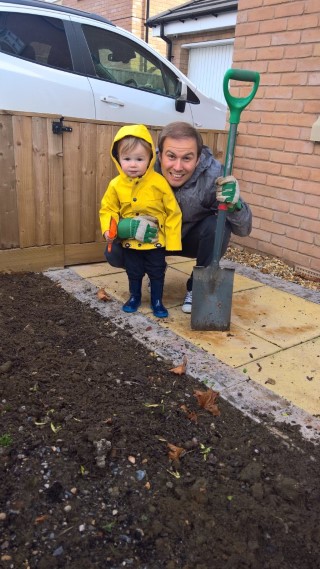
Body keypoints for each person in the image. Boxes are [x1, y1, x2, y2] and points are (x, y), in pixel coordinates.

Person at [104, 121, 252, 313]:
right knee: (114, 252)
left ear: (198, 159)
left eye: (187, 158)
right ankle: (153, 268)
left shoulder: (215, 176)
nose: (178, 166)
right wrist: (124, 227)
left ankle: (197, 285)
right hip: (154, 237)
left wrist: (235, 205)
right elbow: (110, 208)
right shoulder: (142, 167)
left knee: (219, 225)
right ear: (158, 154)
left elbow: (244, 229)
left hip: (191, 238)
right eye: (171, 156)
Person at [99, 124, 182, 318]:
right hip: (131, 241)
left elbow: (173, 211)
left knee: (157, 271)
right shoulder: (115, 185)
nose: (133, 164)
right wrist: (109, 230)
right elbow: (108, 209)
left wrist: (172, 241)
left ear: (150, 159)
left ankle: (157, 300)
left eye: (139, 159)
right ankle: (134, 296)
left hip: (155, 242)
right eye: (127, 159)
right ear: (118, 159)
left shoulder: (159, 182)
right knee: (133, 272)